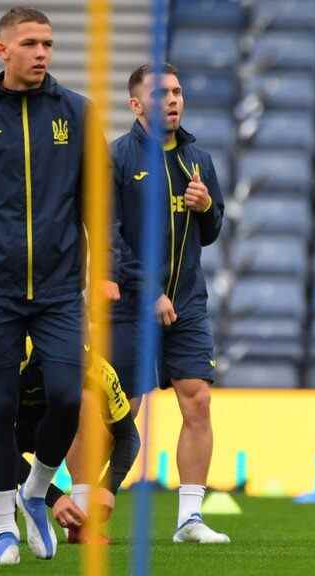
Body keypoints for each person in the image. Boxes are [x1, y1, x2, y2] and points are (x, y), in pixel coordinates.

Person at [0, 7, 99, 565]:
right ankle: (4, 529)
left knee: (65, 398)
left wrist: (103, 268)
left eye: (48, 44)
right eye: (29, 43)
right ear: (2, 50)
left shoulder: (78, 112)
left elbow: (99, 203)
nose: (41, 53)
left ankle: (35, 495)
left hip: (58, 290)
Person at [107, 63, 228, 544]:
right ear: (136, 105)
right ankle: (87, 496)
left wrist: (206, 208)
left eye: (178, 91)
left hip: (188, 302)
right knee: (122, 408)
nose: (173, 100)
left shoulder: (197, 158)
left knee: (197, 399)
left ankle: (190, 520)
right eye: (160, 94)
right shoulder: (116, 158)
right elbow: (110, 239)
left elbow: (214, 230)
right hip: (131, 305)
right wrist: (148, 291)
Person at [0, 337, 140, 545]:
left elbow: (129, 436)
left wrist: (108, 487)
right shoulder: (11, 360)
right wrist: (54, 496)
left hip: (53, 433)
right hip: (5, 436)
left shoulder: (98, 369)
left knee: (89, 401)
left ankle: (80, 517)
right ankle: (15, 497)